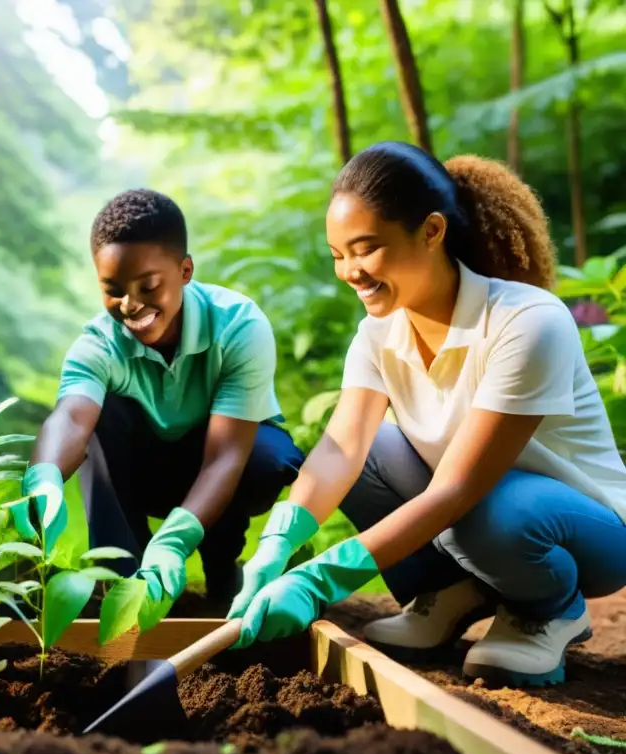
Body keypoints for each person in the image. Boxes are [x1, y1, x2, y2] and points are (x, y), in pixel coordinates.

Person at [225, 141, 626, 687]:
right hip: (477, 510)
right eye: (338, 254)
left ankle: (550, 608)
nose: (350, 271)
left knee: (487, 513)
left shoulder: (527, 321)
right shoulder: (377, 334)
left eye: (365, 249)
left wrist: (321, 580)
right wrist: (276, 546)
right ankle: (449, 593)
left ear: (432, 231)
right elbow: (341, 448)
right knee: (365, 458)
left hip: (585, 529)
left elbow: (455, 491)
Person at [9, 189, 305, 613]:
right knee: (99, 420)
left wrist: (175, 541)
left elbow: (225, 457)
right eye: (113, 289)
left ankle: (223, 567)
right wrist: (44, 480)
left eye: (148, 286)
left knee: (267, 456)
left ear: (184, 271)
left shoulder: (239, 325)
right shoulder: (98, 344)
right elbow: (72, 420)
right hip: (145, 470)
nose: (130, 305)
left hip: (225, 462)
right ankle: (123, 580)